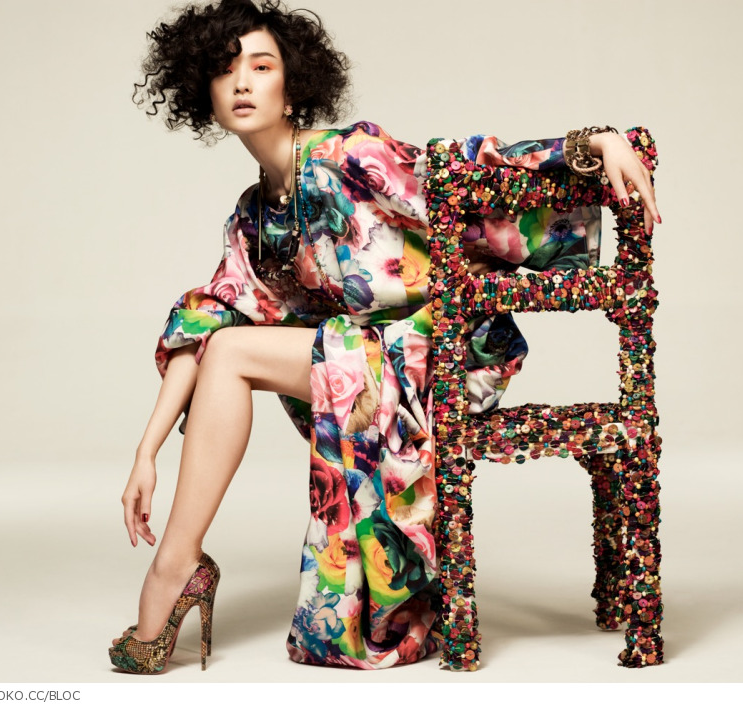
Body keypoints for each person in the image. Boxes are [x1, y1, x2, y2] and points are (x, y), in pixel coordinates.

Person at [108, 0, 660, 673]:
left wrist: (589, 143)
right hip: (368, 363)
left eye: (262, 66)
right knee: (224, 340)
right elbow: (209, 315)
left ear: (292, 86)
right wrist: (147, 452)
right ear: (205, 93)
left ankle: (173, 567)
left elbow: (462, 173)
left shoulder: (348, 154)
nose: (243, 82)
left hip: (446, 353)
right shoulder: (254, 216)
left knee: (232, 351)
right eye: (226, 71)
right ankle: (179, 563)